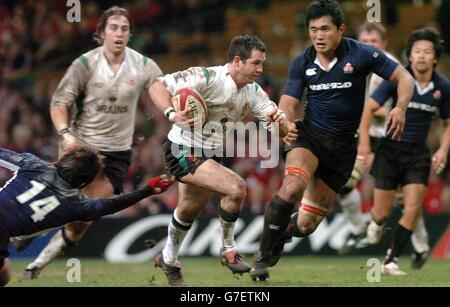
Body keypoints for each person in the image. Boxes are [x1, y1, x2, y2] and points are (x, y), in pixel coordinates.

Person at [250, 0, 415, 282]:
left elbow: (404, 78)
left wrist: (399, 107)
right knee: (292, 187)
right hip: (309, 137)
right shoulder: (302, 61)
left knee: (307, 224)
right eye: (313, 30)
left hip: (343, 149)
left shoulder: (362, 54)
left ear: (341, 29)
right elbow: (288, 102)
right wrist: (285, 120)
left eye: (325, 29)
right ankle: (262, 259)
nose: (318, 36)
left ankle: (281, 233)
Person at [20, 6, 163, 279]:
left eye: (124, 28)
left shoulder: (144, 65)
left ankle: (34, 265)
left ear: (130, 34)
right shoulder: (85, 64)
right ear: (101, 33)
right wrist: (66, 135)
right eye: (113, 28)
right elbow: (60, 102)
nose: (119, 33)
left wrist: (170, 113)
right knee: (57, 203)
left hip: (117, 153)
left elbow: (160, 89)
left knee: (83, 218)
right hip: (80, 145)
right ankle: (28, 231)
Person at [148, 34, 289, 286]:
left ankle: (168, 258)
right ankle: (228, 250)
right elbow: (156, 85)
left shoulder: (254, 93)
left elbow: (279, 128)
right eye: (255, 63)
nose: (260, 69)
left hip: (208, 153)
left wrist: (282, 125)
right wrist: (171, 113)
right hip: (180, 149)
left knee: (187, 211)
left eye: (262, 64)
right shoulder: (207, 77)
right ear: (237, 61)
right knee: (236, 188)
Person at [0, 146, 174, 286]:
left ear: (63, 159)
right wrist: (147, 190)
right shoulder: (76, 206)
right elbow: (112, 205)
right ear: (83, 183)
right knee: (4, 276)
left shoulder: (31, 163)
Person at [359, 27, 450, 275]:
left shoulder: (443, 86)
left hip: (418, 155)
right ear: (409, 56)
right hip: (389, 151)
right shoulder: (397, 80)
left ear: (434, 57)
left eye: (426, 52)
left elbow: (447, 123)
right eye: (416, 51)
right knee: (382, 213)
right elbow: (369, 108)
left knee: (411, 208)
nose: (421, 56)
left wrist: (442, 149)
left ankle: (390, 261)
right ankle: (376, 222)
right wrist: (364, 144)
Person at [338, 22, 431, 264]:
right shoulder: (349, 61)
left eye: (374, 42)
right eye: (365, 42)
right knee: (344, 182)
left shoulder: (390, 67)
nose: (369, 46)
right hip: (362, 134)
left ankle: (420, 243)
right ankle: (358, 227)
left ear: (384, 44)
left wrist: (364, 110)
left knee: (403, 198)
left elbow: (387, 107)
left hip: (388, 137)